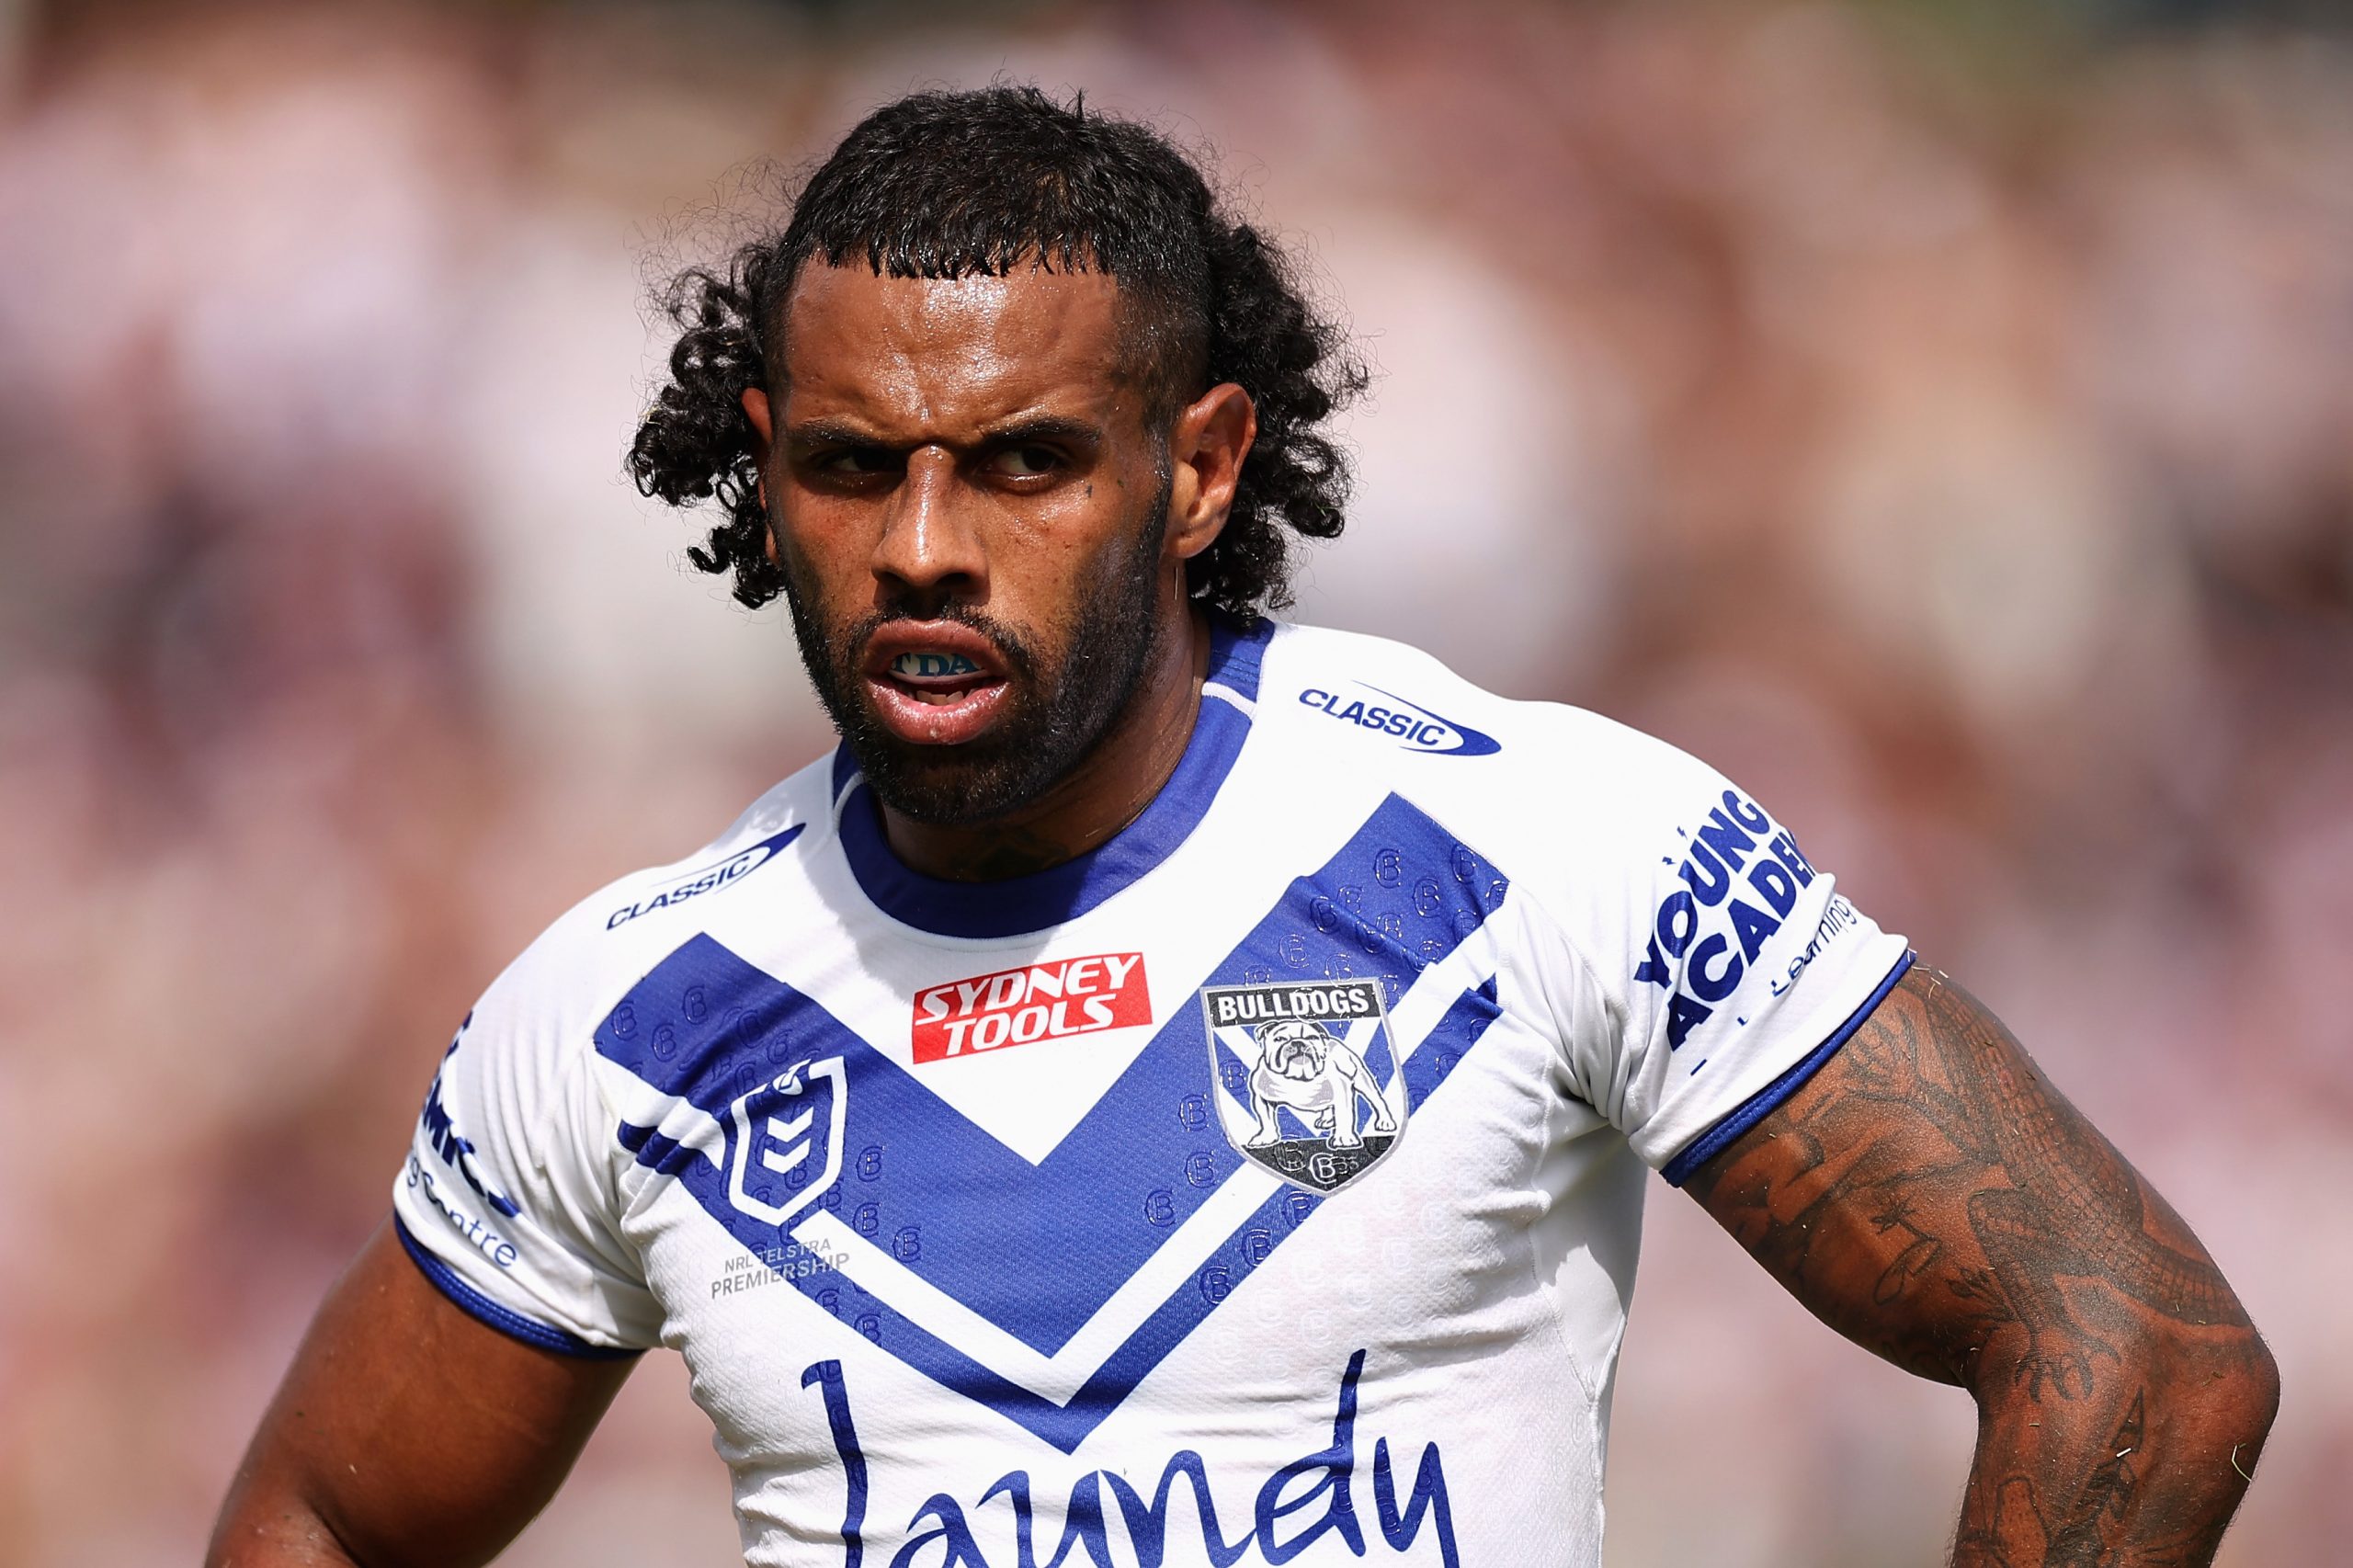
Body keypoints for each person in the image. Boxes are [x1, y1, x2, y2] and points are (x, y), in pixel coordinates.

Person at [209, 86, 2277, 1568]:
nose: (921, 547)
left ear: (1197, 470)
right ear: (762, 475)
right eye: (851, 468)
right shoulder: (625, 1014)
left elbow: (2129, 1346)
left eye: (1021, 462)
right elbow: (324, 1513)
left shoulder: (1526, 844)